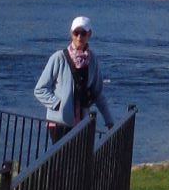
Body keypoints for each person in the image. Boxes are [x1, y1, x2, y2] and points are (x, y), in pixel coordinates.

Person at [35, 14, 114, 142]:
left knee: (79, 159)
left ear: (89, 34)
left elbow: (98, 93)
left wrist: (109, 120)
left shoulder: (92, 60)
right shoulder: (58, 58)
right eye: (76, 33)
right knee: (63, 160)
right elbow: (40, 89)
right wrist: (58, 104)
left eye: (83, 33)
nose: (79, 37)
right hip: (60, 122)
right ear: (71, 33)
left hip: (82, 121)